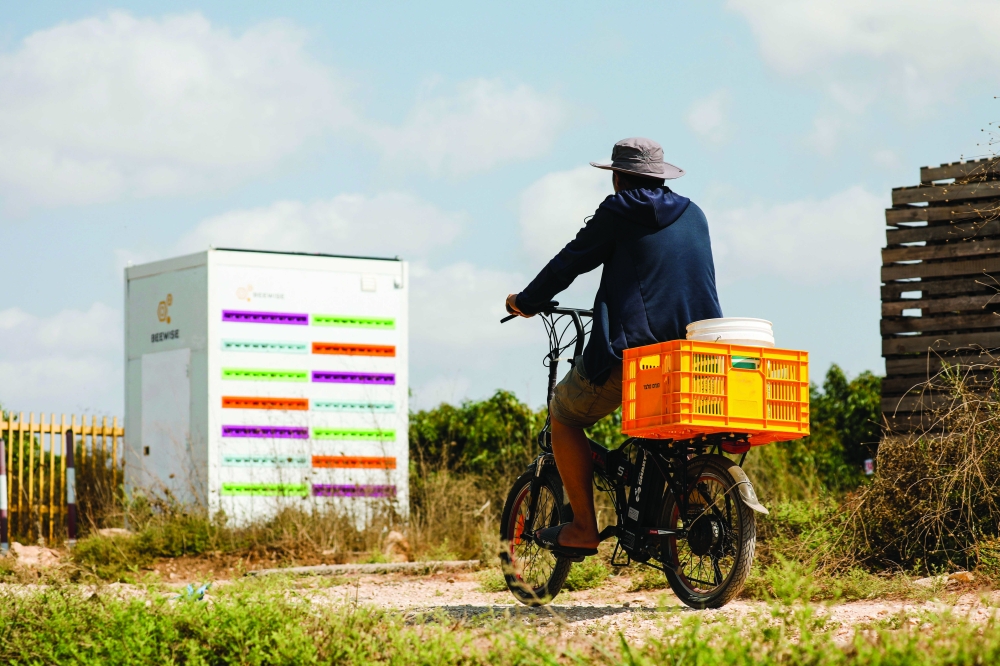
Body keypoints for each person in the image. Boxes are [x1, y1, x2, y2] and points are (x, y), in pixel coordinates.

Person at [505, 137, 723, 559]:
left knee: (564, 415)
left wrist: (527, 302)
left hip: (635, 354)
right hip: (698, 354)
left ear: (618, 177)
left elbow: (572, 260)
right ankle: (680, 508)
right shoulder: (695, 214)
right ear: (661, 176)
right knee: (668, 434)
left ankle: (584, 528)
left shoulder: (618, 210)